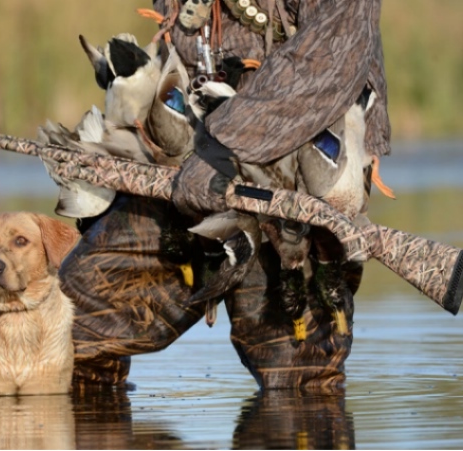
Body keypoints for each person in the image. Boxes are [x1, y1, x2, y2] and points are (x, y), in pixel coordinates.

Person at [60, 0, 390, 390]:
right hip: (186, 181)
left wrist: (227, 147)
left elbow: (330, 58)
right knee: (65, 333)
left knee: (301, 393)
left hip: (293, 197)